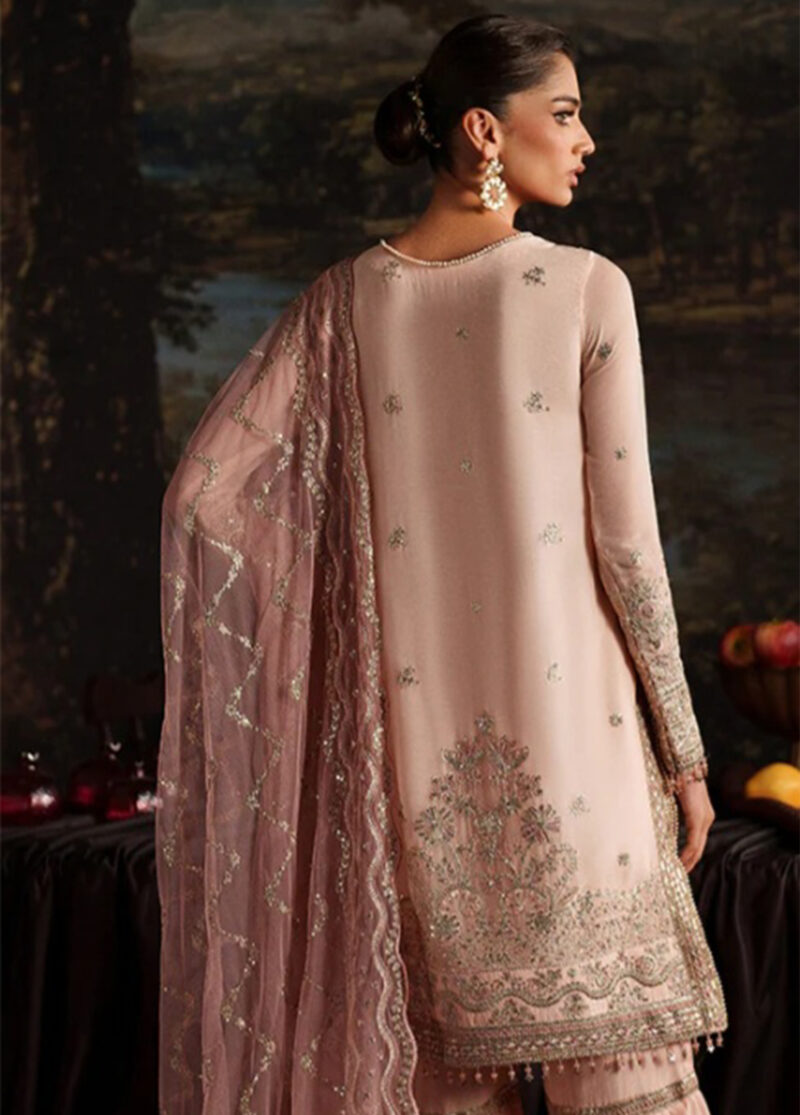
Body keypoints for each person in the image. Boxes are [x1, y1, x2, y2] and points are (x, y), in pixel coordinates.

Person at [154, 13, 727, 1115]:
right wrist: (686, 755)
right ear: (482, 131)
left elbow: (204, 496)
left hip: (411, 778)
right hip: (581, 767)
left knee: (441, 1085)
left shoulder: (339, 305)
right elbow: (627, 548)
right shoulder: (585, 287)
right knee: (628, 1090)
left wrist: (330, 622)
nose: (586, 139)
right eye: (564, 113)